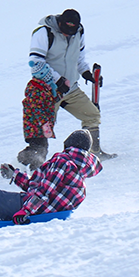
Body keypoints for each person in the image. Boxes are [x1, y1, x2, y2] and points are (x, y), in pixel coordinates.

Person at [17, 9, 116, 170]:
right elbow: (35, 63)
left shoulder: (78, 32)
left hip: (70, 90)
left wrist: (86, 73)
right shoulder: (44, 33)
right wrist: (57, 80)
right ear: (60, 23)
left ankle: (94, 153)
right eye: (65, 30)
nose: (67, 35)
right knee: (42, 133)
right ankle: (23, 166)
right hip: (46, 91)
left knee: (92, 115)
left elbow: (78, 58)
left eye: (72, 31)